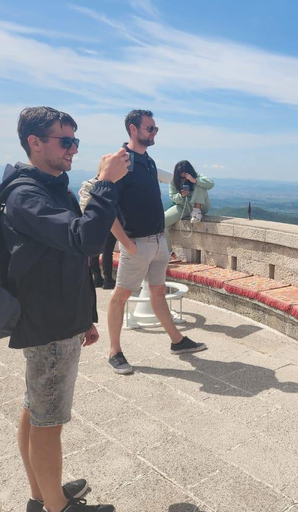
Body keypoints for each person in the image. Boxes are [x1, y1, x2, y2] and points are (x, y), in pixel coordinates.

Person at [2, 107, 129, 512]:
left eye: (75, 141)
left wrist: (85, 318)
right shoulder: (27, 195)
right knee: (48, 419)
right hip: (48, 322)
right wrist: (106, 184)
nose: (74, 149)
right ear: (35, 143)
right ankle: (56, 507)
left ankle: (43, 493)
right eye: (65, 141)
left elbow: (69, 260)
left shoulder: (53, 187)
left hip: (59, 317)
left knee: (35, 407)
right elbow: (87, 240)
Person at [107, 110, 206, 375]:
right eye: (149, 128)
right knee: (120, 296)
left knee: (158, 292)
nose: (154, 133)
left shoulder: (148, 162)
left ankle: (177, 341)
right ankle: (114, 352)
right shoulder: (120, 161)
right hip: (137, 243)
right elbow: (105, 207)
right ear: (132, 128)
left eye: (155, 129)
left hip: (158, 240)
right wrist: (126, 244)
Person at [163, 160, 214, 258]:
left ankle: (196, 211)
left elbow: (210, 184)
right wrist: (181, 196)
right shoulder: (174, 181)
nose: (183, 177)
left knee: (200, 185)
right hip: (184, 206)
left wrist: (194, 180)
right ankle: (168, 252)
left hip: (201, 206)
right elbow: (172, 197)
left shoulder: (197, 176)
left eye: (184, 174)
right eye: (180, 175)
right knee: (162, 221)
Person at [78, 178, 118, 289]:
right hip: (108, 221)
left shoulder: (89, 183)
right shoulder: (111, 184)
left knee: (93, 251)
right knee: (107, 250)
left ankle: (96, 278)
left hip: (92, 220)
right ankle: (108, 279)